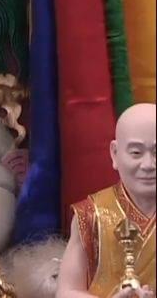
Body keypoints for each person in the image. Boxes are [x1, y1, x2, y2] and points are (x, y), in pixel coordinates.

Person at [57, 102, 155, 298]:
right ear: (115, 154)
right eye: (136, 153)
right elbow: (66, 292)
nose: (148, 165)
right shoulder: (91, 215)